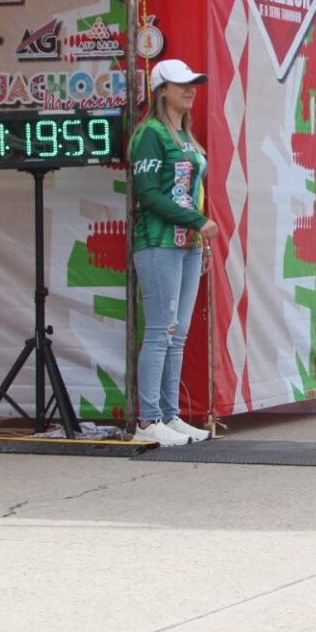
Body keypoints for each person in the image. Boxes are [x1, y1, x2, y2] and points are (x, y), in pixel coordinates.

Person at [130, 59, 219, 448]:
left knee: (177, 334)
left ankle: (169, 414)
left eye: (193, 83)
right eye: (181, 84)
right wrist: (197, 221)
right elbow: (148, 194)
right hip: (158, 241)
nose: (190, 89)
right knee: (160, 331)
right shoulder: (149, 133)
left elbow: (192, 192)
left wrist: (201, 236)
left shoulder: (186, 136)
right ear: (161, 90)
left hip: (188, 245)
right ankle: (147, 419)